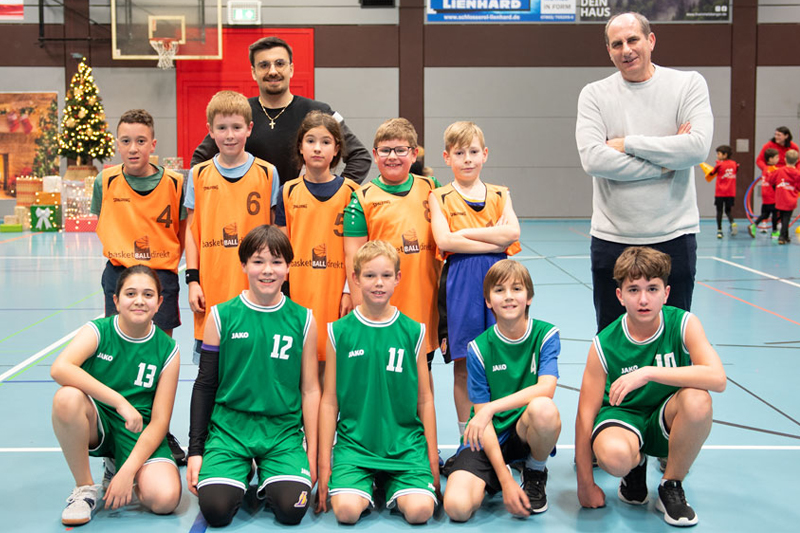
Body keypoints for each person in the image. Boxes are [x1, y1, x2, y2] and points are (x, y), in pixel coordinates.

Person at [575, 11, 714, 333]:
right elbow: (594, 160)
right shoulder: (594, 94)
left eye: (633, 40)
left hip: (674, 235)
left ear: (650, 40)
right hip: (612, 238)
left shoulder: (688, 84)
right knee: (613, 338)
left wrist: (629, 144)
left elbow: (696, 148)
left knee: (673, 338)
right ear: (609, 51)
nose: (626, 50)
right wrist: (667, 160)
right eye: (617, 44)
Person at [575, 247, 726, 527]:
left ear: (666, 293)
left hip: (666, 417)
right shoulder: (604, 344)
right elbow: (585, 415)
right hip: (623, 417)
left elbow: (718, 378)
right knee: (615, 457)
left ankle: (671, 485)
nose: (643, 299)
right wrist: (585, 484)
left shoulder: (683, 324)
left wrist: (647, 373)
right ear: (620, 296)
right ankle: (634, 467)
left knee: (698, 399)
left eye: (652, 289)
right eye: (633, 290)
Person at [186, 225, 319, 527]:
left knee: (293, 508)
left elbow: (311, 390)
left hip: (282, 433)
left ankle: (272, 472)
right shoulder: (221, 316)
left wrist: (312, 452)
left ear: (288, 267)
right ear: (244, 265)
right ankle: (240, 469)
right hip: (230, 431)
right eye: (258, 261)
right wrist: (195, 452)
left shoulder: (303, 319)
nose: (267, 270)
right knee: (216, 510)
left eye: (276, 262)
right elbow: (205, 386)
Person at [316, 240, 440, 524]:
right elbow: (329, 400)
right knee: (346, 512)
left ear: (398, 278)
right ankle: (368, 481)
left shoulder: (413, 331)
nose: (378, 283)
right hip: (356, 446)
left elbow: (425, 399)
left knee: (420, 512)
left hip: (404, 446)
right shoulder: (339, 331)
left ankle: (389, 481)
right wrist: (324, 465)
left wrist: (432, 458)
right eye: (370, 275)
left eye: (386, 275)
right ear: (356, 278)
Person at [91, 108, 187, 464]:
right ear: (117, 143)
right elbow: (103, 221)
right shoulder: (105, 181)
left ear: (153, 144)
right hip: (119, 275)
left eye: (141, 141)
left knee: (157, 359)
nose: (133, 148)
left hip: (161, 277)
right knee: (117, 357)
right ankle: (116, 434)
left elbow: (182, 230)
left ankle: (160, 432)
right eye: (126, 141)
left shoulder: (175, 183)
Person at [51, 265, 181, 526]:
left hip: (138, 432)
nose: (139, 301)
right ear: (116, 300)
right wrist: (120, 402)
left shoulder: (168, 349)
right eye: (130, 293)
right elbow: (60, 368)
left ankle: (118, 468)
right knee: (66, 398)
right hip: (98, 422)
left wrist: (128, 472)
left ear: (159, 303)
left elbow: (159, 422)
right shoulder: (98, 331)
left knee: (165, 500)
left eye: (147, 294)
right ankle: (84, 488)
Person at [442, 260, 561, 521]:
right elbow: (483, 421)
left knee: (544, 408)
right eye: (499, 290)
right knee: (457, 508)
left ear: (529, 297)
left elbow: (546, 388)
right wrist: (505, 481)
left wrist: (492, 408)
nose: (508, 296)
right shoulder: (478, 349)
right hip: (487, 436)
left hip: (523, 430)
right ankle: (498, 473)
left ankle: (534, 470)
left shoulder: (545, 335)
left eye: (516, 289)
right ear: (488, 301)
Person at [429, 121, 521, 438]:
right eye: (459, 153)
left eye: (473, 152)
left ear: (485, 154)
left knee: (503, 357)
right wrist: (494, 240)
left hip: (500, 280)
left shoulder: (500, 193)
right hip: (461, 284)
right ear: (447, 157)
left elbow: (512, 233)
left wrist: (465, 234)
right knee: (464, 363)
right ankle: (466, 436)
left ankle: (505, 434)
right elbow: (445, 241)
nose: (467, 159)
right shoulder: (439, 196)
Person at [190, 36, 371, 185]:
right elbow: (199, 160)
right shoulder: (239, 112)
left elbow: (360, 157)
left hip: (299, 211)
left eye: (279, 63)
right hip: (252, 212)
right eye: (264, 65)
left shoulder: (319, 111)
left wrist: (337, 191)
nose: (273, 71)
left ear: (291, 69)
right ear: (253, 72)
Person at [184, 90, 278, 363]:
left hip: (257, 287)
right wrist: (192, 281)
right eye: (222, 128)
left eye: (237, 127)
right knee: (211, 371)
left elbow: (275, 233)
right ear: (210, 130)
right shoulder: (199, 174)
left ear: (249, 128)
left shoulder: (267, 173)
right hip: (211, 288)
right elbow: (192, 232)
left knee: (254, 364)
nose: (229, 135)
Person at [343, 118, 443, 362]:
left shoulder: (432, 188)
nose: (392, 157)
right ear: (375, 155)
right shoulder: (362, 198)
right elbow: (353, 259)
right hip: (381, 307)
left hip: (425, 304)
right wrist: (361, 311)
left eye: (400, 150)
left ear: (414, 154)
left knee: (423, 370)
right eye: (385, 150)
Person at [275, 110, 359, 378]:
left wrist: (349, 291)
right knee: (302, 370)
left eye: (325, 142)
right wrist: (283, 293)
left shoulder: (353, 192)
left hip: (337, 292)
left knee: (334, 369)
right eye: (310, 141)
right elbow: (281, 251)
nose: (317, 148)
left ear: (337, 149)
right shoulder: (288, 192)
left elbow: (358, 252)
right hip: (300, 292)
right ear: (300, 147)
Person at [766, 149, 800, 245]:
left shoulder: (779, 171)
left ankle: (785, 236)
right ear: (797, 160)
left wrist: (770, 174)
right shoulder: (797, 173)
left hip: (780, 198)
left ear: (785, 159)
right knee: (786, 218)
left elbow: (771, 180)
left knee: (783, 217)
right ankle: (782, 236)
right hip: (791, 199)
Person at [708, 145, 739, 239]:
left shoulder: (719, 165)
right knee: (728, 211)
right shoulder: (734, 164)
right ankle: (732, 222)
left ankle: (719, 230)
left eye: (719, 154)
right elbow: (736, 169)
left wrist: (717, 164)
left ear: (725, 155)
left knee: (719, 211)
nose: (717, 156)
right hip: (731, 193)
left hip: (720, 193)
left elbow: (711, 173)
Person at [749, 148, 780, 238]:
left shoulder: (765, 168)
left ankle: (754, 225)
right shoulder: (774, 169)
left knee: (765, 214)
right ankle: (774, 231)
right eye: (776, 157)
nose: (778, 159)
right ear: (770, 159)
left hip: (765, 196)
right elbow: (775, 183)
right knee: (775, 214)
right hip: (772, 196)